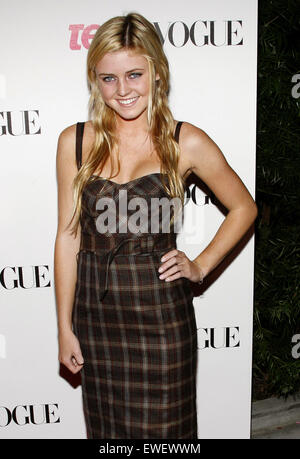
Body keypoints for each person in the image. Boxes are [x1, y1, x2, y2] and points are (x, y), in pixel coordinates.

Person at [54, 12, 257, 439]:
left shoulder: (186, 141)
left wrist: (200, 266)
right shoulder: (74, 141)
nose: (122, 90)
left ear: (156, 72)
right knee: (108, 436)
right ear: (95, 80)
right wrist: (64, 327)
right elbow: (68, 235)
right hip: (98, 319)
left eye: (134, 74)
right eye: (109, 78)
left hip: (161, 318)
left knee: (167, 437)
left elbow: (244, 208)